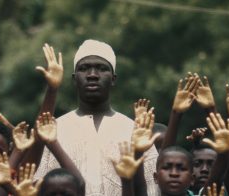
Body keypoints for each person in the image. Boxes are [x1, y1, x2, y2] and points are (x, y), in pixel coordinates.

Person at [33, 39, 159, 195]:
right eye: (84, 68)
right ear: (74, 79)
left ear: (113, 79)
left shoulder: (133, 130)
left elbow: (152, 189)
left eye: (101, 68)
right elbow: (35, 185)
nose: (92, 75)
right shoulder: (54, 130)